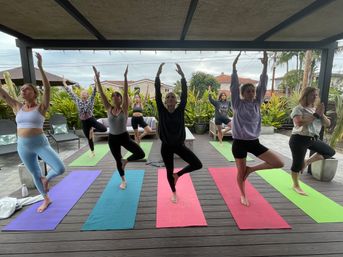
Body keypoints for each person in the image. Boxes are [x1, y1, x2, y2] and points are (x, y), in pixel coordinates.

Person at [0, 53, 65, 212]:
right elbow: (3, 94)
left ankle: (46, 179)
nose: (23, 92)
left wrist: (41, 66)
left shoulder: (41, 107)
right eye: (21, 90)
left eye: (27, 90)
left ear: (34, 93)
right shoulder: (17, 107)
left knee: (60, 168)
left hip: (40, 143)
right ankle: (46, 199)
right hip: (23, 146)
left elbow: (47, 88)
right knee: (34, 173)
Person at [230, 51, 284, 206]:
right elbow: (234, 86)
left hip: (254, 142)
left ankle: (251, 169)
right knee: (240, 173)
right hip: (239, 143)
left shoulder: (257, 103)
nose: (252, 93)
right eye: (248, 91)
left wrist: (265, 65)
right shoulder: (237, 104)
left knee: (279, 163)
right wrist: (234, 68)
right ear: (242, 94)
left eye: (253, 91)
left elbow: (263, 85)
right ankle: (243, 194)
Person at [155, 63, 202, 203]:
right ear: (165, 101)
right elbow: (157, 93)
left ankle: (179, 175)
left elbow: (185, 94)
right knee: (169, 171)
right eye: (168, 97)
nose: (170, 98)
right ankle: (174, 192)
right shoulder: (162, 111)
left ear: (176, 101)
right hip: (166, 147)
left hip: (179, 145)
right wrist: (157, 75)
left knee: (197, 164)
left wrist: (182, 77)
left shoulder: (180, 110)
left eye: (172, 97)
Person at [93, 65, 145, 189]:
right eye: (114, 96)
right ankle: (123, 180)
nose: (116, 98)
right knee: (117, 159)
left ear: (121, 99)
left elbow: (126, 91)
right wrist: (97, 80)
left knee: (140, 153)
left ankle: (126, 161)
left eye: (118, 96)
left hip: (124, 137)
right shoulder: (108, 108)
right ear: (111, 99)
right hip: (113, 138)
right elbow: (101, 93)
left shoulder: (125, 109)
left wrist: (125, 77)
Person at [289, 87, 335, 195]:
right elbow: (298, 123)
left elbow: (328, 124)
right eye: (312, 95)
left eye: (316, 95)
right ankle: (296, 185)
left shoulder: (316, 110)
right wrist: (315, 116)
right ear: (305, 96)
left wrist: (321, 114)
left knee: (329, 152)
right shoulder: (298, 109)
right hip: (298, 139)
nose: (315, 97)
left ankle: (306, 162)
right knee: (296, 165)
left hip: (313, 139)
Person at [62, 79, 107, 157]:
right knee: (89, 138)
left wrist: (96, 82)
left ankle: (92, 129)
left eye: (85, 93)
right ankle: (92, 152)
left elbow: (94, 92)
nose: (83, 94)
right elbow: (70, 92)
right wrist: (64, 83)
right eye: (82, 93)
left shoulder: (90, 100)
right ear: (80, 95)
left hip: (91, 120)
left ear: (87, 95)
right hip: (84, 122)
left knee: (104, 129)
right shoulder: (77, 100)